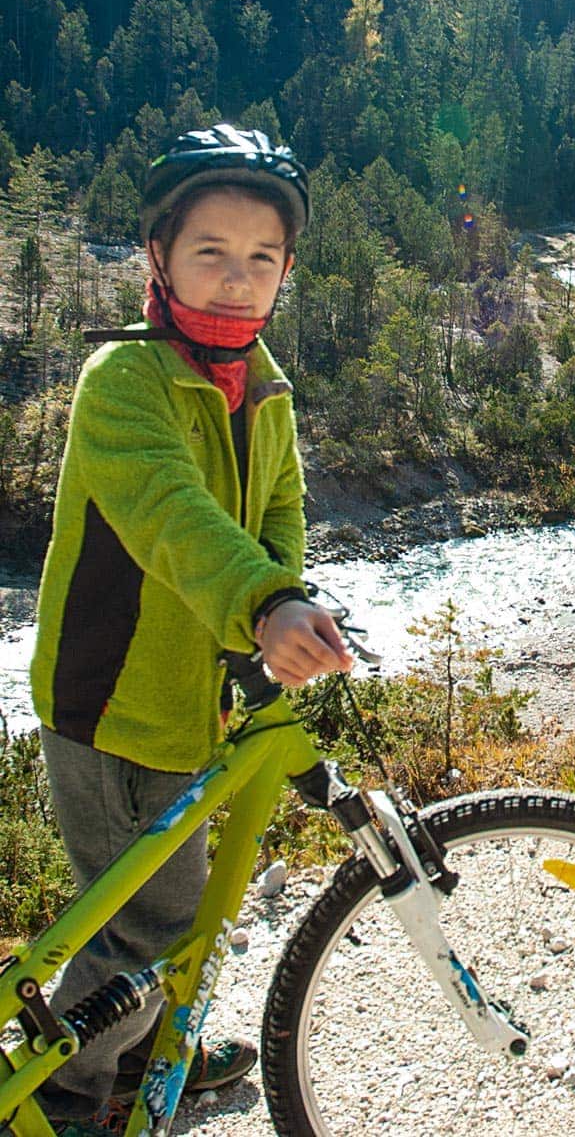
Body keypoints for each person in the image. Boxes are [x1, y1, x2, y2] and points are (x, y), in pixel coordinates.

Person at [28, 124, 353, 1135]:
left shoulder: (261, 381)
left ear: (287, 271)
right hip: (109, 698)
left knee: (154, 901)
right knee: (150, 919)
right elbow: (175, 516)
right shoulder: (121, 384)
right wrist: (260, 606)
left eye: (261, 259)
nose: (235, 279)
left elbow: (278, 509)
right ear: (158, 256)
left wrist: (286, 592)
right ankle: (72, 1093)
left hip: (190, 694)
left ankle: (135, 1041)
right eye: (209, 252)